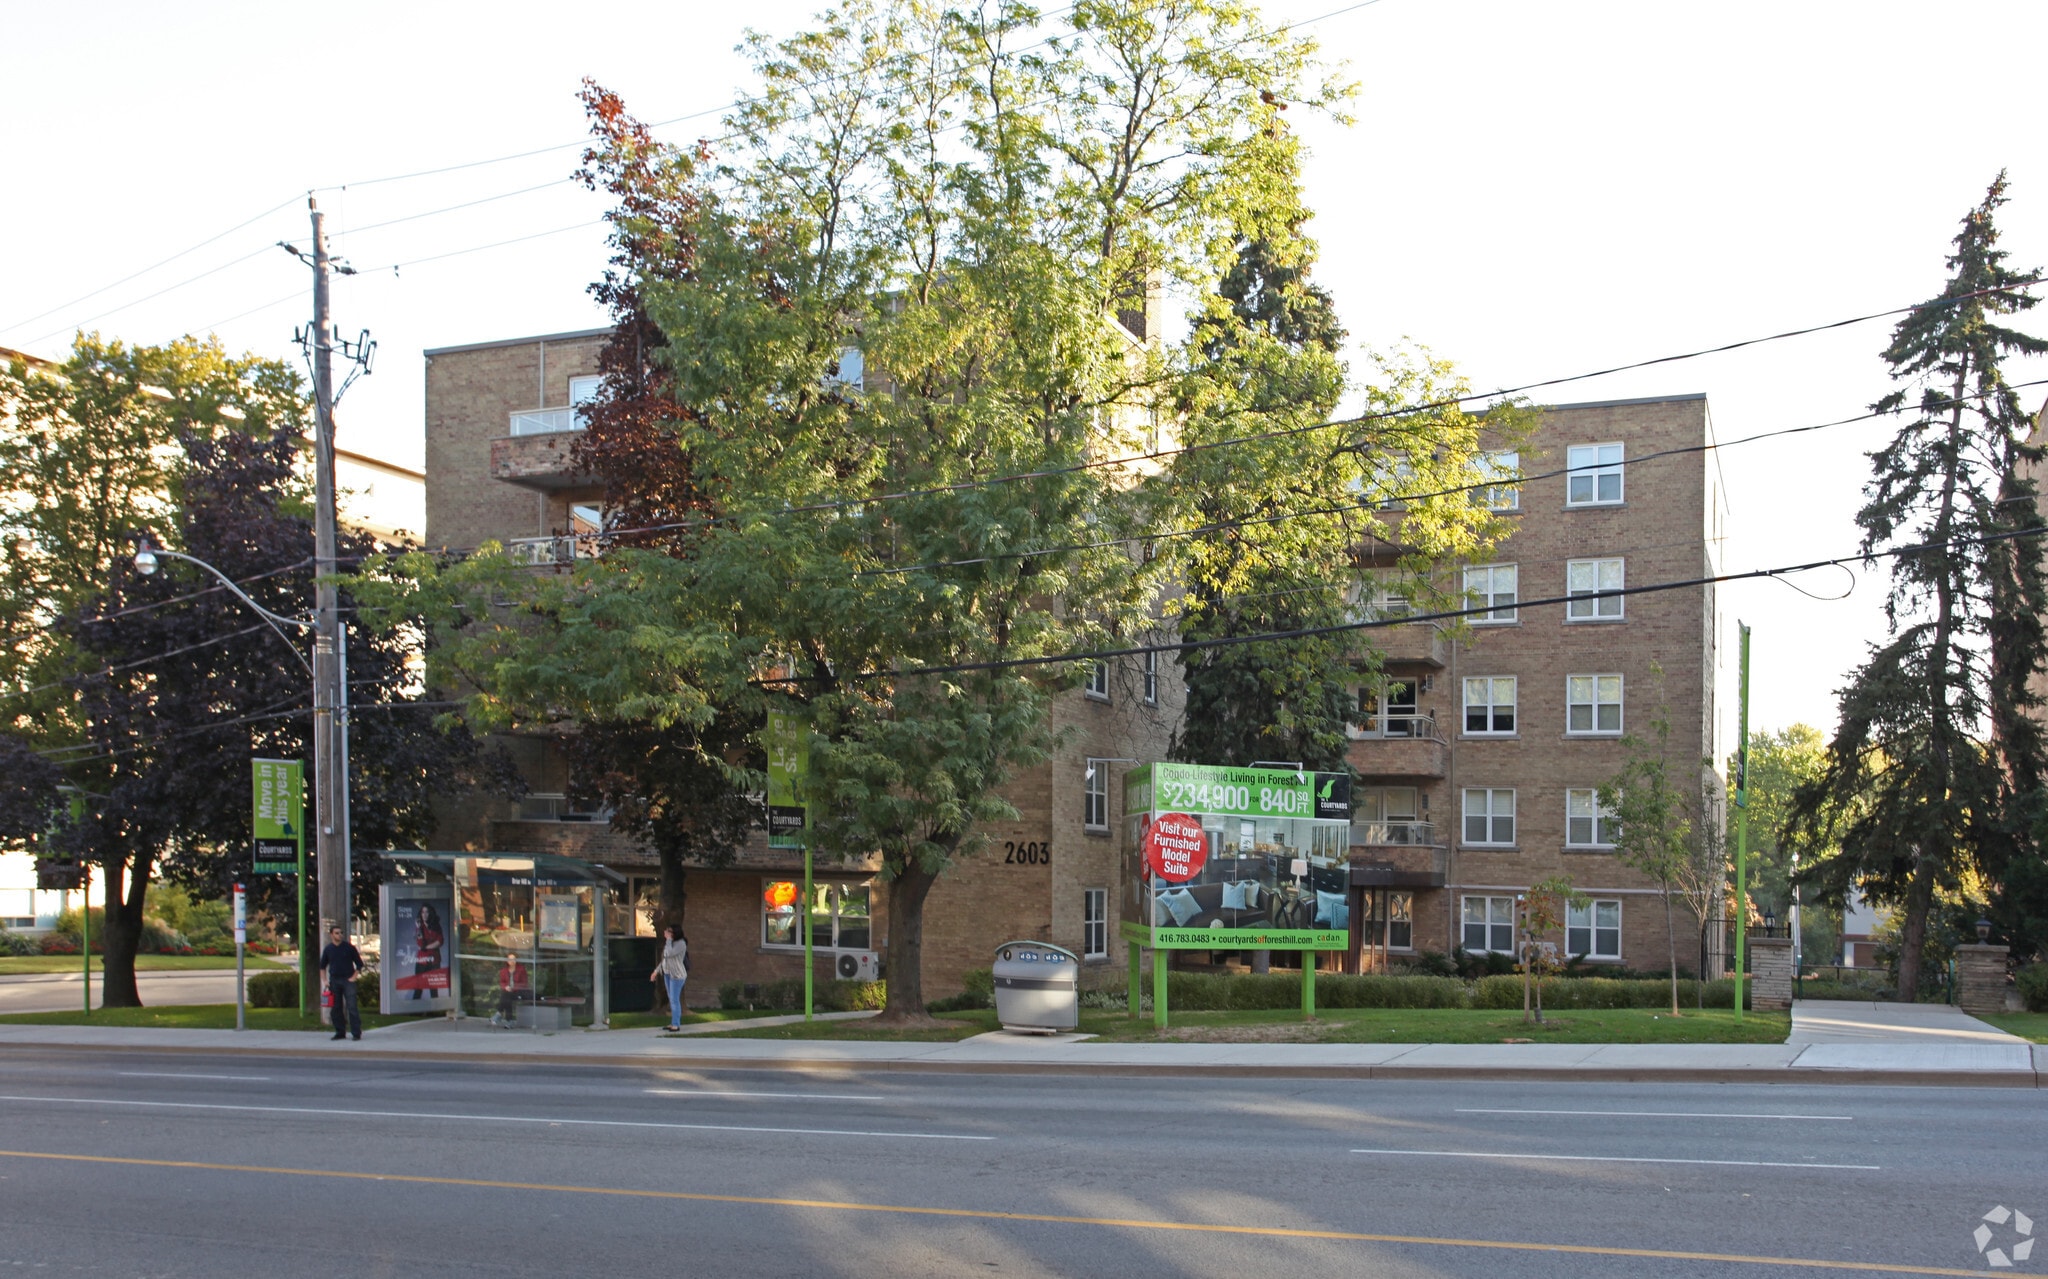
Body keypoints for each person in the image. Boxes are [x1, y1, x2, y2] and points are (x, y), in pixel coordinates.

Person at [318, 925, 364, 1041]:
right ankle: (340, 1032)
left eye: (341, 932)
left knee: (352, 1006)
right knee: (336, 1008)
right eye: (337, 933)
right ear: (331, 935)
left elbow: (359, 964)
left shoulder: (349, 948)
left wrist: (354, 977)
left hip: (348, 979)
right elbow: (322, 966)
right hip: (334, 980)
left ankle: (356, 1033)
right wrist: (325, 981)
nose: (340, 935)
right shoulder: (328, 949)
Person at [650, 925, 689, 1032]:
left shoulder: (681, 943)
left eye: (668, 931)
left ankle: (676, 1024)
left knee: (674, 999)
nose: (665, 932)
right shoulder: (669, 943)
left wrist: (668, 941)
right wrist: (656, 971)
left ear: (673, 933)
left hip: (677, 975)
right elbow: (665, 960)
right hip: (667, 974)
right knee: (671, 999)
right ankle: (673, 1022)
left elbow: (669, 954)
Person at [409, 903, 444, 1002]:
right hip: (422, 961)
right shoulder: (420, 928)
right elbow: (420, 943)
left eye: (427, 912)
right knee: (419, 987)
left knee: (433, 988)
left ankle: (434, 1010)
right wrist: (419, 928)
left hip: (434, 961)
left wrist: (427, 947)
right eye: (422, 912)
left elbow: (440, 941)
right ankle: (415, 1012)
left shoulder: (436, 926)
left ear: (430, 913)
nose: (424, 914)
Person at [491, 952, 530, 1028]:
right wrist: (506, 987)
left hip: (519, 992)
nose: (512, 961)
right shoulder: (504, 971)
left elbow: (524, 983)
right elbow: (502, 982)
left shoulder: (521, 969)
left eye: (514, 959)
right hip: (509, 992)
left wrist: (513, 988)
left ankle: (499, 1014)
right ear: (507, 961)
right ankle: (509, 1021)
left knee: (505, 996)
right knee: (507, 996)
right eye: (510, 959)